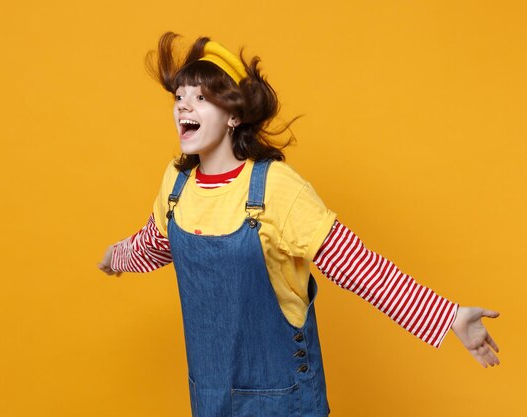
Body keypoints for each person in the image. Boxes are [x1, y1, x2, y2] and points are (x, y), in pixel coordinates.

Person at [98, 32, 500, 417]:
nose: (184, 106)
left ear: (234, 114)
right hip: (210, 395)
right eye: (180, 97)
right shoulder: (176, 185)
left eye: (201, 98)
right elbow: (157, 242)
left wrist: (449, 316)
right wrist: (118, 256)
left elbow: (359, 267)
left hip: (282, 400)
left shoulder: (277, 188)